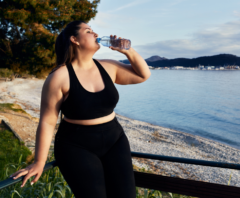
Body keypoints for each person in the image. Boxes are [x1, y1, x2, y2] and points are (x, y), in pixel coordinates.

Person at [9, 20, 151, 198]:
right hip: (76, 146)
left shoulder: (108, 67)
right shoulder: (59, 77)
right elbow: (47, 121)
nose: (96, 35)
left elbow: (143, 75)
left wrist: (127, 50)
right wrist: (39, 161)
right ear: (75, 39)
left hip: (115, 139)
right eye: (89, 31)